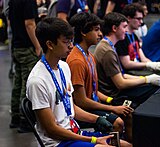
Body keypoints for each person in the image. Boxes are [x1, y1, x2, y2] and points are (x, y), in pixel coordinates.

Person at [27, 17, 131, 147]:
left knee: (126, 145)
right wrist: (93, 140)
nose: (71, 46)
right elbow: (52, 130)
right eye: (66, 42)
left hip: (75, 132)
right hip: (58, 143)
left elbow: (71, 108)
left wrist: (98, 119)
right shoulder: (37, 81)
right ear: (50, 44)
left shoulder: (64, 67)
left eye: (71, 41)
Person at [66, 12, 133, 140]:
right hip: (81, 111)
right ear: (84, 32)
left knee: (128, 113)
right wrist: (112, 108)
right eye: (96, 30)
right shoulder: (77, 61)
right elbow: (81, 101)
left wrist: (111, 100)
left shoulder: (89, 56)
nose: (100, 34)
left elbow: (94, 91)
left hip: (92, 105)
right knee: (118, 123)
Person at [94, 12, 160, 110]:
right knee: (155, 90)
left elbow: (122, 75)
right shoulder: (107, 51)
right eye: (124, 27)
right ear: (114, 28)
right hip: (115, 95)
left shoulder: (108, 46)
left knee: (150, 85)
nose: (126, 30)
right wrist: (146, 80)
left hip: (116, 89)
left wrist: (145, 79)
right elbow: (120, 84)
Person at [8, 0, 42, 132]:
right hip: (27, 46)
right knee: (27, 83)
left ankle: (15, 117)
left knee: (18, 83)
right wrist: (38, 45)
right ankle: (25, 120)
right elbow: (29, 24)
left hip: (17, 45)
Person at [115, 3, 160, 76]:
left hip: (138, 69)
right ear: (128, 18)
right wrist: (147, 65)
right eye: (138, 19)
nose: (141, 22)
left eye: (142, 19)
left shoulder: (134, 36)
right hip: (130, 73)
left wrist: (154, 64)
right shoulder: (122, 38)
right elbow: (127, 64)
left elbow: (143, 58)